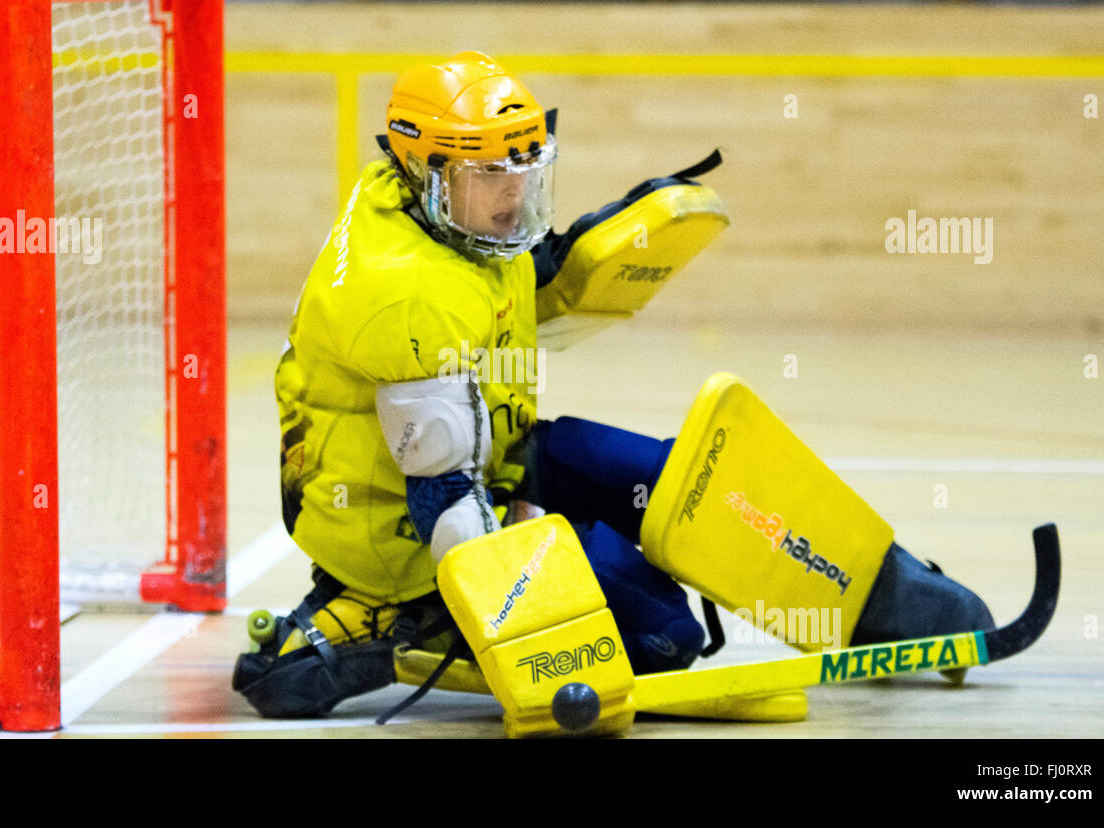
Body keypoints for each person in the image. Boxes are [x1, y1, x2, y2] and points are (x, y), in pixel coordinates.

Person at [233, 51, 994, 720]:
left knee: (685, 479)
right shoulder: (403, 294)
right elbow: (445, 497)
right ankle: (396, 616)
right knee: (666, 633)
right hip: (411, 528)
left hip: (490, 454)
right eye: (490, 171)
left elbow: (487, 302)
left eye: (524, 166)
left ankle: (879, 600)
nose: (514, 192)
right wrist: (505, 590)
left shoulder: (426, 205)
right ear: (428, 170)